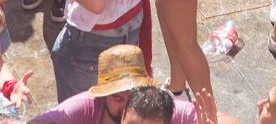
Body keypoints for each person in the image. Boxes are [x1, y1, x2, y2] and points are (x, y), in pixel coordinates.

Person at [34, 46, 201, 122]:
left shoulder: (153, 109)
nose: (126, 108)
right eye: (118, 98)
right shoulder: (87, 106)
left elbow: (219, 119)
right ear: (104, 96)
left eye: (133, 96)